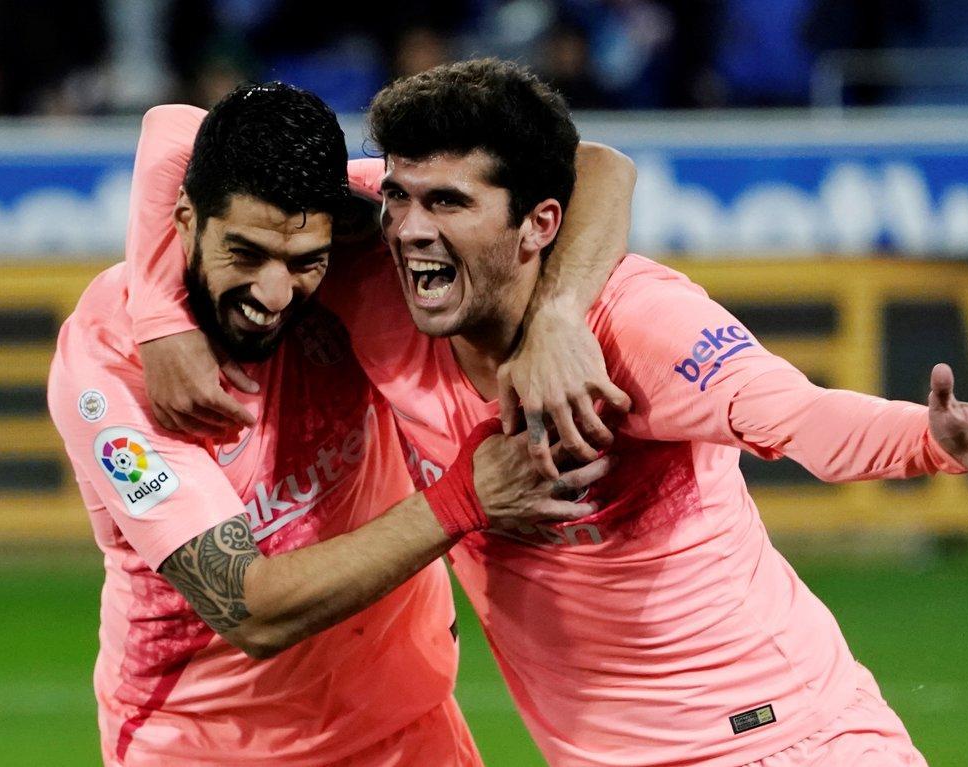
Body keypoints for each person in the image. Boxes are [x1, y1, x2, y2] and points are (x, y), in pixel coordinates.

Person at [132, 62, 968, 766]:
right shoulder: (383, 266)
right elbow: (181, 130)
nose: (413, 225)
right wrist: (156, 312)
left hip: (782, 738)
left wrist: (931, 438)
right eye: (404, 198)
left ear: (539, 222)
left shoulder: (641, 323)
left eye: (448, 203)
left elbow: (794, 413)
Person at [47, 81, 627, 767]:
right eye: (245, 253)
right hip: (208, 749)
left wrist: (559, 314)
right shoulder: (110, 368)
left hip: (407, 729)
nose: (273, 293)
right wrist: (464, 497)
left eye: (304, 263)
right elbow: (248, 609)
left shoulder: (357, 220)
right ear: (183, 217)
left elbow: (602, 167)